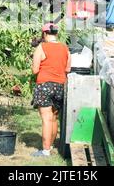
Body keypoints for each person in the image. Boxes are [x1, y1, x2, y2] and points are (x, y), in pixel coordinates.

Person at [31, 23, 71, 157]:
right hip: (60, 85)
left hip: (44, 85)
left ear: (44, 34)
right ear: (56, 34)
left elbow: (35, 70)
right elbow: (68, 69)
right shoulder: (65, 48)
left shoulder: (41, 47)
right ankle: (51, 144)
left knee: (46, 118)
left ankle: (45, 150)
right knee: (54, 117)